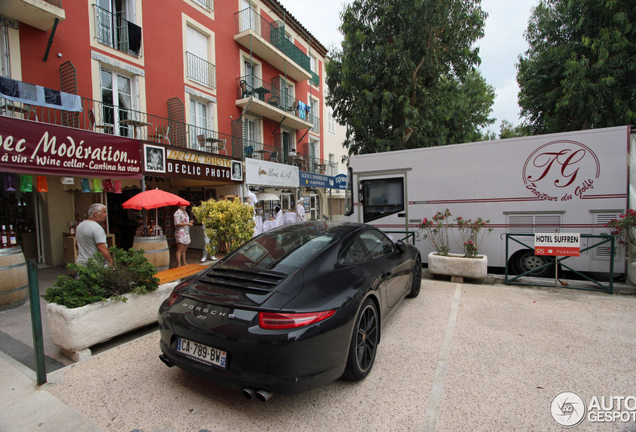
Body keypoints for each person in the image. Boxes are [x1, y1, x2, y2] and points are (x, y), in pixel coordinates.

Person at [75, 203, 114, 268]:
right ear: (95, 214)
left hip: (81, 263)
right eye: (104, 212)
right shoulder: (97, 228)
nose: (106, 214)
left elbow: (77, 244)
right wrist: (110, 261)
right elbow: (101, 247)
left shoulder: (80, 225)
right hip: (94, 265)